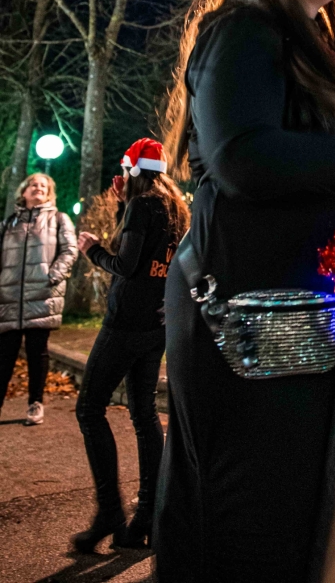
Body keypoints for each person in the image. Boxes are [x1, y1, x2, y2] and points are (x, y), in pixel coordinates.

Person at [153, 0, 335, 579]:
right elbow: (241, 158)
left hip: (302, 310)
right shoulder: (243, 31)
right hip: (245, 311)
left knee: (293, 510)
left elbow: (332, 173)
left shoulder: (316, 51)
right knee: (246, 517)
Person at [73, 138, 189, 553]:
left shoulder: (143, 207)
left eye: (125, 171)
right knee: (143, 414)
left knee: (89, 408)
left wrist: (92, 250)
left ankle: (109, 511)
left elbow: (126, 264)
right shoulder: (175, 207)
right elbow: (161, 259)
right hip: (156, 322)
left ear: (133, 171)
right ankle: (148, 518)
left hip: (125, 324)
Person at [0, 172, 77, 425]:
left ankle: (35, 404)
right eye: (33, 184)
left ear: (49, 193)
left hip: (42, 296)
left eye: (43, 186)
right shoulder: (9, 223)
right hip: (8, 297)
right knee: (4, 355)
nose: (38, 188)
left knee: (37, 352)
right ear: (23, 192)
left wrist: (52, 277)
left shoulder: (58, 219)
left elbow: (70, 250)